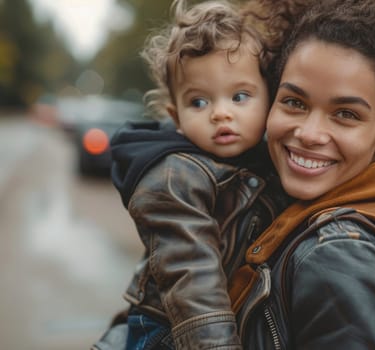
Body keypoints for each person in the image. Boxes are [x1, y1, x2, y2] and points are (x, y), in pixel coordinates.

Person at [226, 0, 375, 348]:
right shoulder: (274, 210)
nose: (310, 133)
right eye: (294, 102)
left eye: (345, 114)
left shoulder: (339, 258)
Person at [92, 0, 289, 349]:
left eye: (240, 96)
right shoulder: (173, 176)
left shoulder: (262, 164)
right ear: (176, 115)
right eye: (199, 102)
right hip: (168, 332)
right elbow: (192, 280)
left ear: (269, 100)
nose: (220, 114)